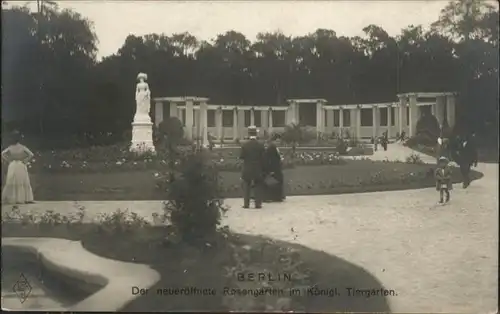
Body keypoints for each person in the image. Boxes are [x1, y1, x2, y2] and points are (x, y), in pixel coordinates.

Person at [1, 131, 35, 204]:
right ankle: (24, 198)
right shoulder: (22, 147)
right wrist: (25, 160)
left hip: (13, 164)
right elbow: (31, 154)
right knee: (22, 181)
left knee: (12, 181)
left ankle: (14, 198)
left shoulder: (10, 147)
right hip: (20, 164)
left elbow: (2, 154)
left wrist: (8, 160)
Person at [239, 126, 266, 209]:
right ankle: (258, 203)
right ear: (256, 133)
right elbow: (263, 157)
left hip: (248, 168)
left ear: (248, 133)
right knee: (258, 185)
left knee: (246, 185)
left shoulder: (245, 145)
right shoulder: (260, 145)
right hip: (257, 168)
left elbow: (242, 157)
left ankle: (246, 204)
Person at [263, 136, 285, 202]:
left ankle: (277, 197)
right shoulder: (271, 148)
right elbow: (269, 159)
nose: (278, 142)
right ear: (273, 141)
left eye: (279, 141)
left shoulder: (274, 147)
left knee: (278, 182)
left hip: (276, 168)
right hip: (274, 168)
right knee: (276, 182)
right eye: (277, 141)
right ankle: (276, 197)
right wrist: (270, 170)